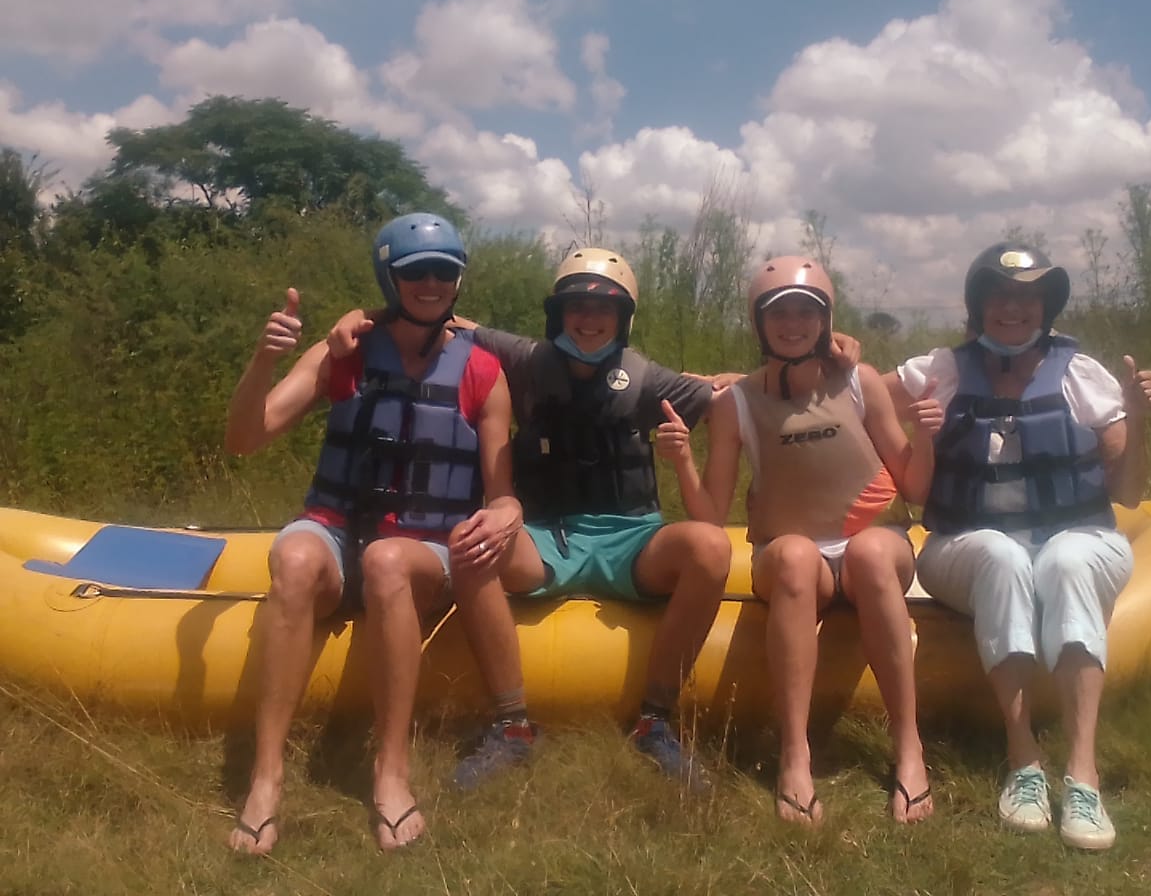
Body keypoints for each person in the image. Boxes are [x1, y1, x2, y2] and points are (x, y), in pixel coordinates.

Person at [329, 247, 733, 791]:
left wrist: (816, 354)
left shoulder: (648, 378)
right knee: (470, 543)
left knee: (711, 547)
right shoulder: (525, 360)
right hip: (546, 539)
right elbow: (438, 313)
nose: (589, 320)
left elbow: (733, 396)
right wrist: (361, 316)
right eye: (577, 307)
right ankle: (512, 726)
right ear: (557, 313)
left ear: (623, 318)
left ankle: (654, 721)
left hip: (631, 540)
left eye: (604, 309)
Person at [224, 213, 540, 854]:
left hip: (423, 549)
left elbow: (500, 488)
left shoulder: (483, 372)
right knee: (294, 556)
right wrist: (264, 360)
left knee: (390, 561)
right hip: (338, 530)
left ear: (458, 280)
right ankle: (266, 778)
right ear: (389, 278)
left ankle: (391, 772)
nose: (431, 283)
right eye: (415, 272)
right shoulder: (340, 353)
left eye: (443, 271)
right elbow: (244, 439)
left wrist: (509, 510)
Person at [887, 242, 1151, 851]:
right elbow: (855, 395)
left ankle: (1083, 776)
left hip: (1081, 536)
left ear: (1046, 305)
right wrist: (804, 364)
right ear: (978, 303)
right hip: (966, 544)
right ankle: (1024, 760)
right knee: (1002, 555)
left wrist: (1137, 419)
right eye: (999, 295)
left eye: (1027, 296)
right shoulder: (941, 369)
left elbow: (1129, 492)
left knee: (1064, 561)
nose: (1012, 308)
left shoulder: (1081, 374)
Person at [656, 255, 941, 827]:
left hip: (873, 547)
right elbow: (711, 514)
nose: (792, 324)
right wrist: (683, 460)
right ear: (759, 323)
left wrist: (927, 438)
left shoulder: (859, 382)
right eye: (779, 314)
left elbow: (912, 486)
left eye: (805, 313)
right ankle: (795, 754)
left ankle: (909, 748)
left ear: (825, 319)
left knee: (870, 551)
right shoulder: (734, 403)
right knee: (793, 553)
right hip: (792, 560)